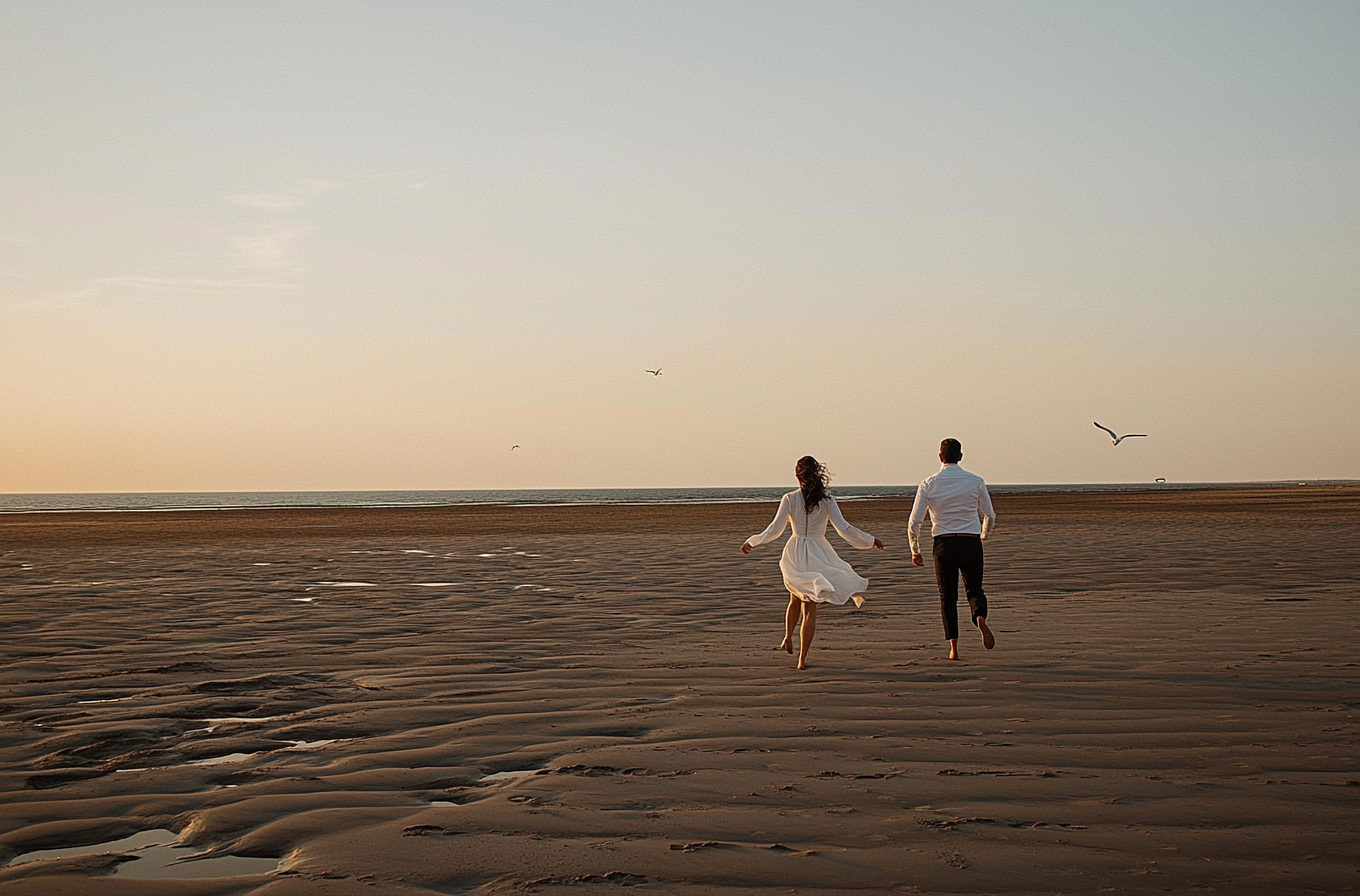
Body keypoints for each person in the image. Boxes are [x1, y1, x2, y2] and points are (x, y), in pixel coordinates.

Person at [742, 456, 884, 670]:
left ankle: (788, 636)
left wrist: (753, 541)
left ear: (797, 476)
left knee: (795, 598)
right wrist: (870, 541)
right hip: (819, 552)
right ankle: (801, 659)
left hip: (796, 551)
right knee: (809, 608)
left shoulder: (789, 498)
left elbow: (775, 529)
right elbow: (843, 528)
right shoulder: (827, 500)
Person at [908, 438, 997, 660]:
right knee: (975, 589)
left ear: (940, 456)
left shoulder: (929, 483)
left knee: (947, 596)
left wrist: (915, 549)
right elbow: (990, 515)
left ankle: (953, 648)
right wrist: (983, 534)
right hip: (970, 540)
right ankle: (979, 617)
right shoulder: (975, 481)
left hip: (943, 542)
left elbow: (914, 521)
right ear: (960, 456)